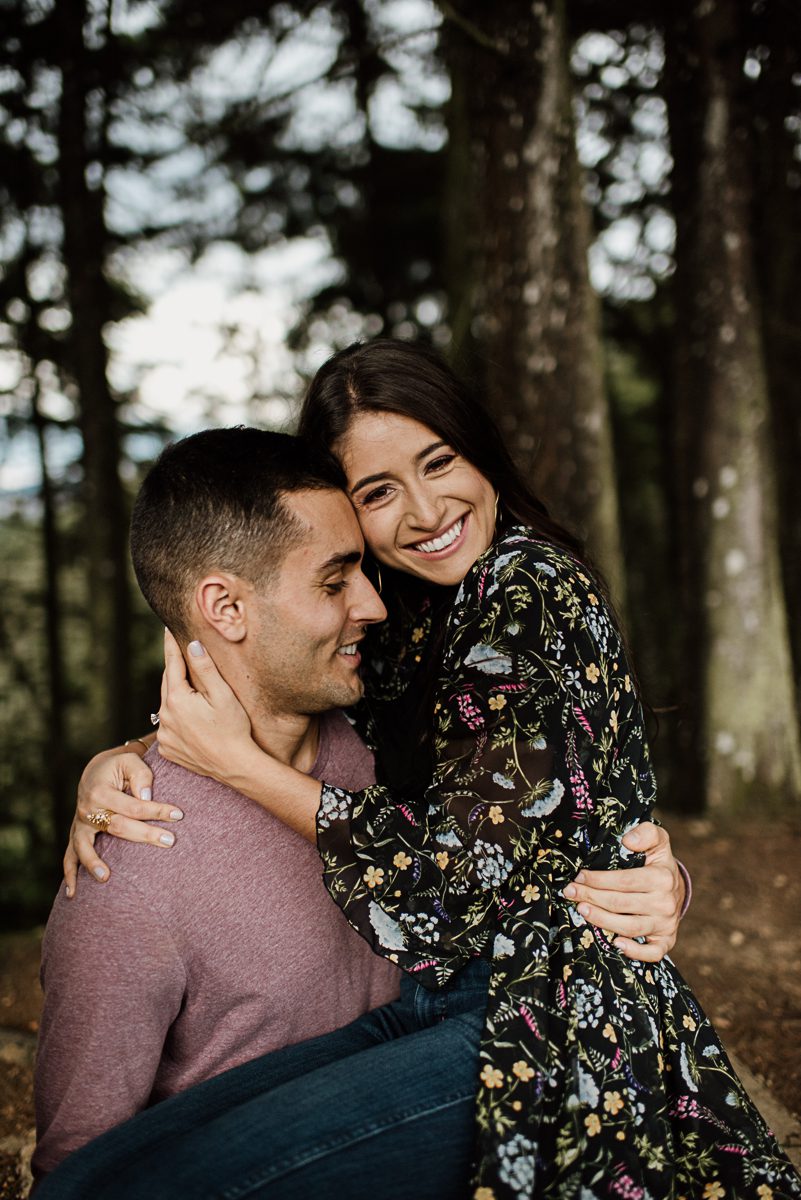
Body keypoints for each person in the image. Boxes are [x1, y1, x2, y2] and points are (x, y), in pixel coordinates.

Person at [47, 338, 799, 1199]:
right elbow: (265, 673)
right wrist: (129, 758)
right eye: (376, 492)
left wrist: (236, 767)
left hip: (547, 1014)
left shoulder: (527, 587)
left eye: (438, 460)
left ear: (475, 445)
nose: (423, 509)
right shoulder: (411, 618)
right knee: (89, 1182)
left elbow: (462, 876)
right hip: (440, 997)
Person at [33, 429, 401, 1177]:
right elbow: (78, 1169)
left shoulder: (374, 750)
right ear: (225, 607)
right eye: (334, 582)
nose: (373, 605)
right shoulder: (133, 866)